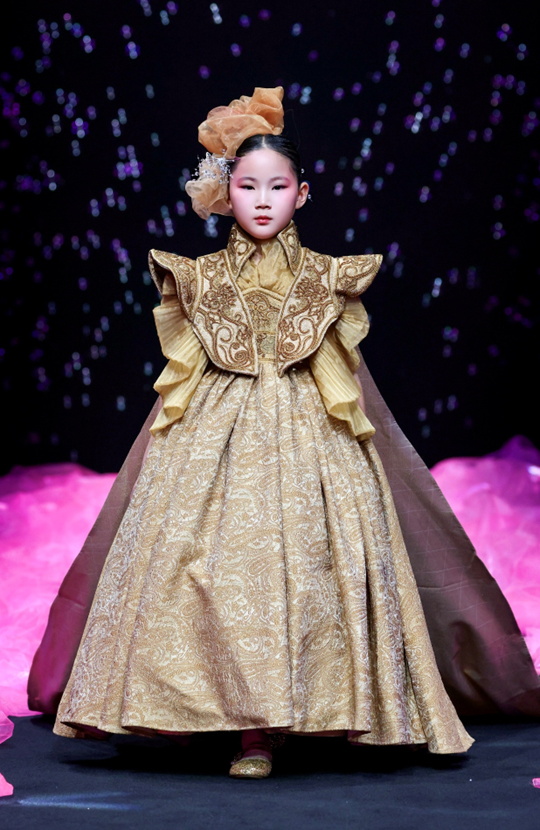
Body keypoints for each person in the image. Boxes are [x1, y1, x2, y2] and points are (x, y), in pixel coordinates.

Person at [28, 87, 540, 780]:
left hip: (312, 439)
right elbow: (185, 374)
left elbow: (343, 374)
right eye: (248, 186)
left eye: (278, 186)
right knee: (197, 562)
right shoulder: (200, 278)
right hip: (213, 439)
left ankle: (308, 715)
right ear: (225, 192)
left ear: (303, 194)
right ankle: (224, 719)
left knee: (317, 563)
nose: (263, 200)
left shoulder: (327, 277)